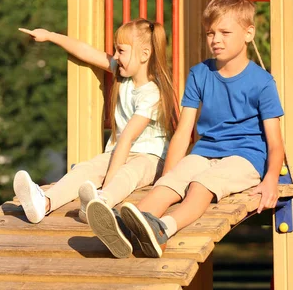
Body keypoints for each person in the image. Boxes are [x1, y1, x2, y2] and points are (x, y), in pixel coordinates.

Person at [86, 0, 285, 259]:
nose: (216, 40)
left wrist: (271, 178)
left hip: (246, 157)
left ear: (248, 33)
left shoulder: (262, 82)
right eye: (210, 33)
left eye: (225, 33)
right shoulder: (200, 73)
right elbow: (183, 132)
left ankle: (163, 229)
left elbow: (274, 141)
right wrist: (167, 175)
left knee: (201, 185)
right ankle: (124, 229)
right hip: (205, 151)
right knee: (173, 181)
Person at [13, 18, 179, 258]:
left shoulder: (152, 93)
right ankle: (44, 202)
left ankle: (101, 203)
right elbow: (85, 50)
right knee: (85, 168)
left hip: (150, 158)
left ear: (144, 54)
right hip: (119, 151)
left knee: (127, 174)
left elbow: (128, 138)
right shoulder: (122, 74)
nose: (115, 55)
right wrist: (50, 35)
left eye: (121, 50)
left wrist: (107, 183)